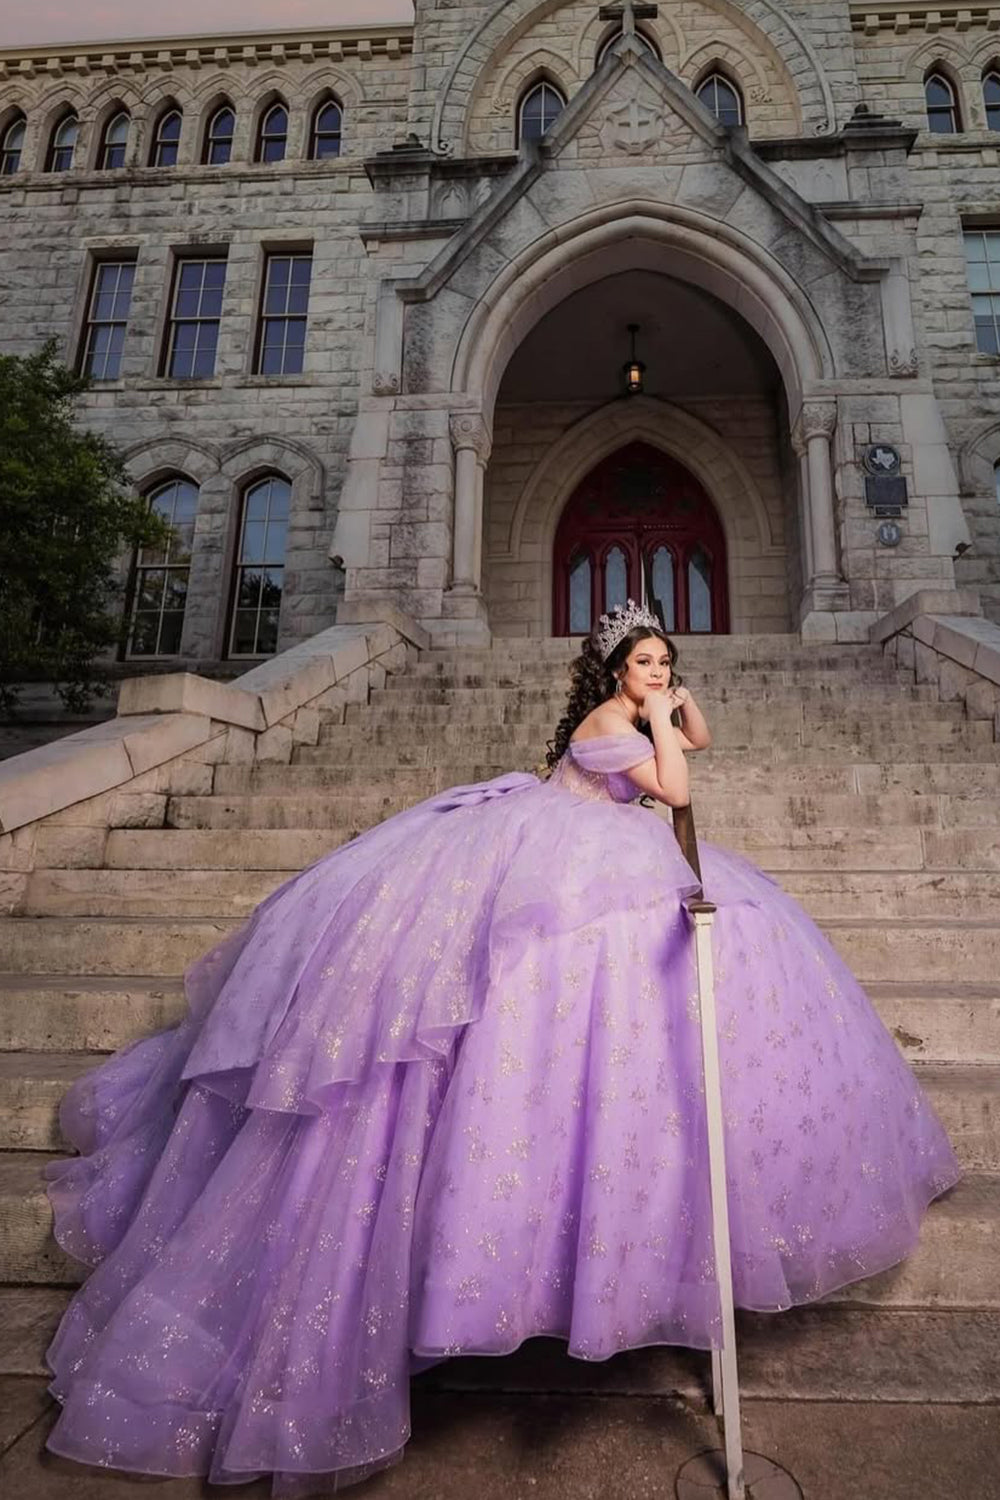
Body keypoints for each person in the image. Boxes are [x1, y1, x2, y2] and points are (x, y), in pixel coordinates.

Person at [41, 600, 960, 1499]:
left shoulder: (645, 709)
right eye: (644, 663)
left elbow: (701, 746)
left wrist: (679, 700)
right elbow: (678, 790)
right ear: (611, 674)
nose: (658, 674)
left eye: (664, 661)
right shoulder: (609, 721)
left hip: (608, 847)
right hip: (567, 862)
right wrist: (652, 713)